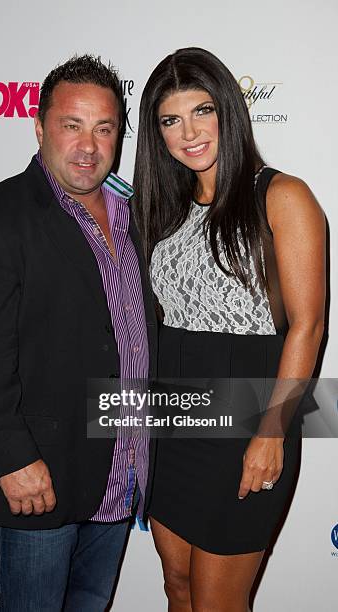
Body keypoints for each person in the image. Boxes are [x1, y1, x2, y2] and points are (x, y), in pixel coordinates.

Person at [0, 54, 157, 612]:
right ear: (39, 128)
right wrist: (8, 460)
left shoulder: (139, 218)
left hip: (121, 474)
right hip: (42, 475)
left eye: (104, 128)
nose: (89, 145)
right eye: (72, 125)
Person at [133, 47, 325, 611]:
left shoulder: (283, 196)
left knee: (218, 603)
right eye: (171, 119)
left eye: (203, 111)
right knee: (178, 587)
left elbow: (308, 327)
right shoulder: (165, 208)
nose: (189, 132)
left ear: (229, 113)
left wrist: (271, 433)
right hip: (173, 423)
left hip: (246, 425)